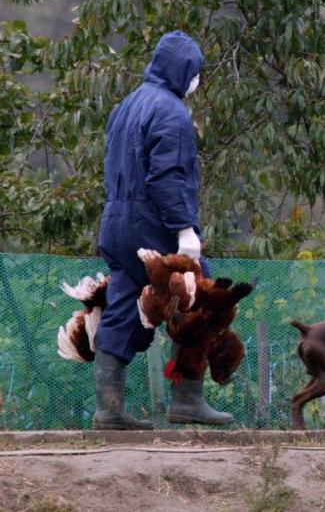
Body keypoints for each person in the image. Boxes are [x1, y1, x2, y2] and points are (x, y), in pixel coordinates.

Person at [91, 30, 232, 429]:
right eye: (196, 72)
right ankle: (187, 399)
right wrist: (185, 231)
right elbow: (167, 176)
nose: (197, 81)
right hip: (153, 225)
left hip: (116, 223)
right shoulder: (170, 111)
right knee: (202, 301)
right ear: (184, 69)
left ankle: (109, 409)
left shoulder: (126, 106)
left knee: (121, 304)